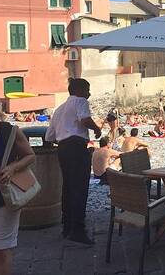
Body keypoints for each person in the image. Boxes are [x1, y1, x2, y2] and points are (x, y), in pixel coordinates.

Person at [45, 78, 101, 245]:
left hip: (63, 149)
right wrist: (97, 129)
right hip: (77, 147)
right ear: (79, 90)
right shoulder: (80, 101)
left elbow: (49, 136)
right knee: (80, 188)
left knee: (68, 187)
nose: (89, 94)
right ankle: (78, 229)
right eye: (87, 90)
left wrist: (65, 137)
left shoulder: (59, 109)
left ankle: (67, 226)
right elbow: (84, 119)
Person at [0, 90, 35, 275]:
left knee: (0, 249)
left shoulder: (9, 131)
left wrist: (12, 168)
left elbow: (30, 156)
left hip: (5, 198)